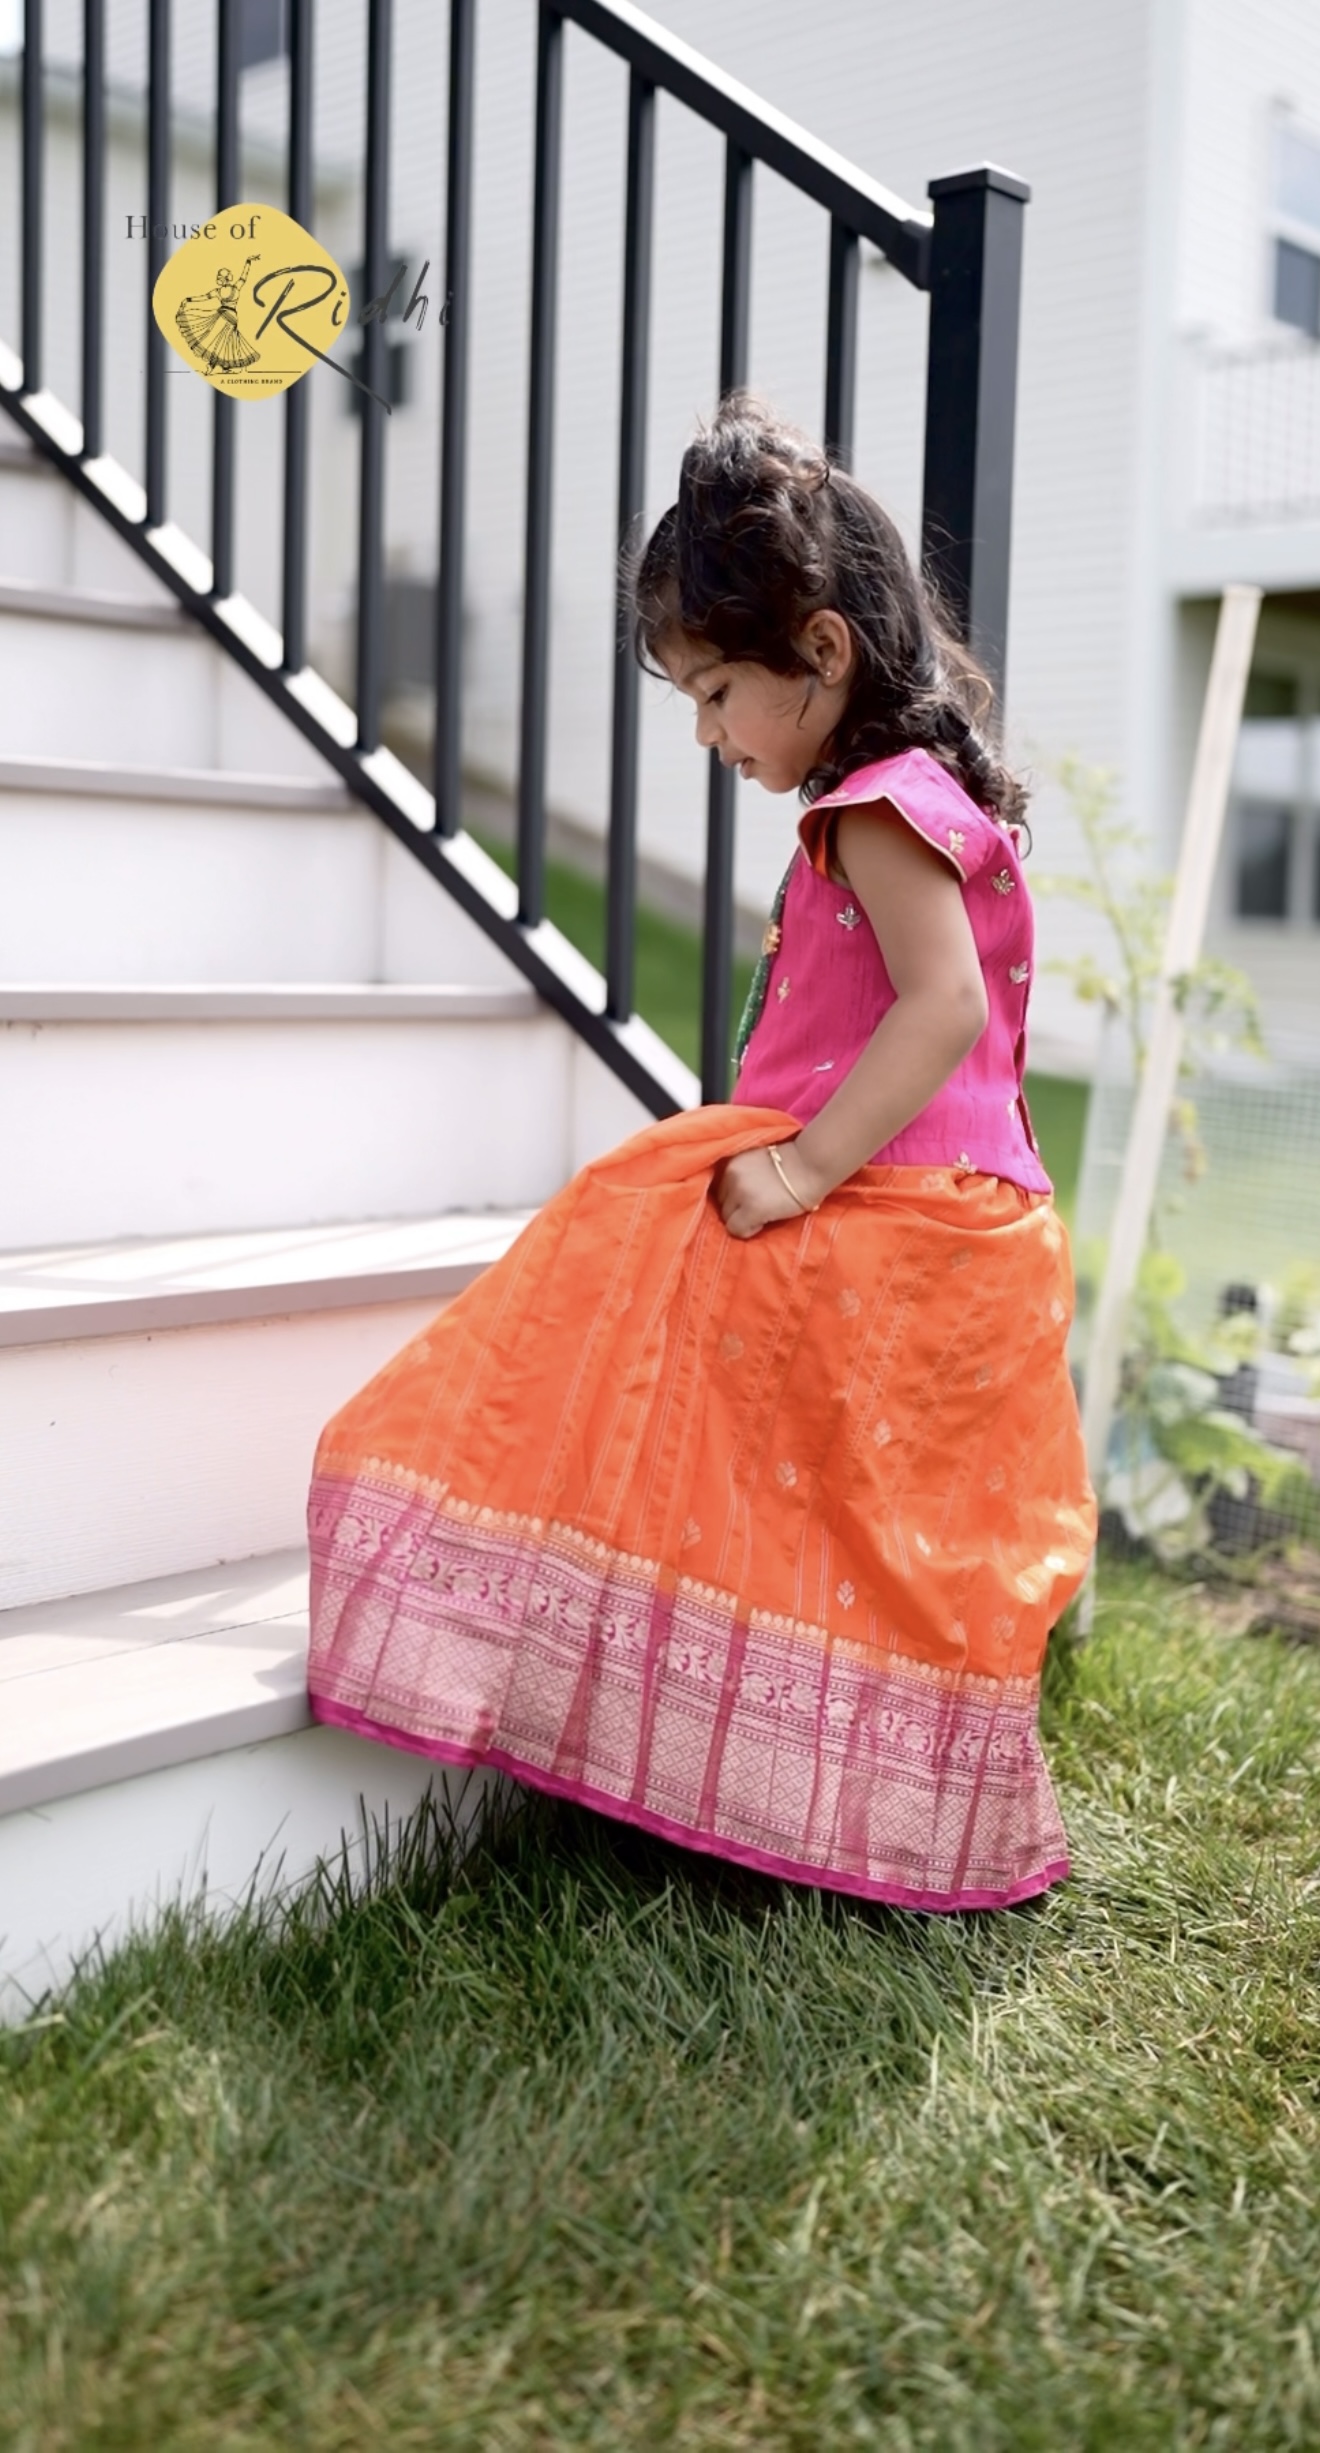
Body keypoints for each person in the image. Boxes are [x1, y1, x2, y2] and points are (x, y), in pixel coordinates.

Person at [306, 394, 1096, 1911]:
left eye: (718, 688)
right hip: (961, 1213)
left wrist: (799, 1176)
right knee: (862, 1531)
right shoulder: (910, 800)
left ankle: (577, 1675)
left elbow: (933, 1012)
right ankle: (793, 1796)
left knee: (632, 1321)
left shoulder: (875, 810)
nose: (706, 732)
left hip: (898, 1213)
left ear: (823, 651)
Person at [175, 256, 261, 374]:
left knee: (220, 341)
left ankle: (219, 366)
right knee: (224, 341)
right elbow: (244, 276)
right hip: (232, 317)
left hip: (222, 315)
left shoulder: (217, 291)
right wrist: (248, 262)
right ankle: (216, 365)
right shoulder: (236, 288)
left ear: (222, 279)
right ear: (229, 278)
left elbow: (202, 298)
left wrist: (188, 300)